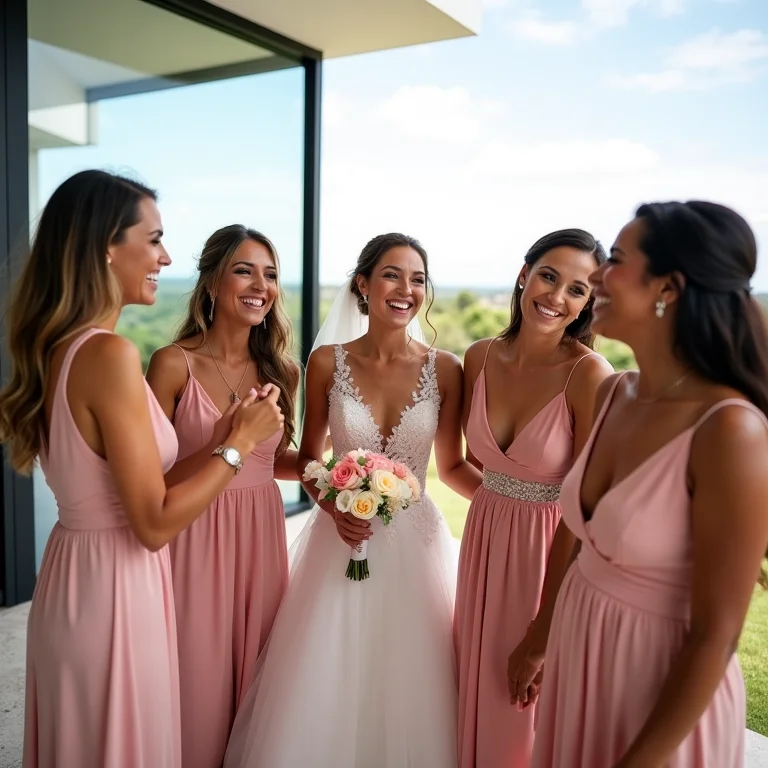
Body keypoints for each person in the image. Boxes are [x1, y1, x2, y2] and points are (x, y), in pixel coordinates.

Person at [0, 170, 282, 768]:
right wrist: (238, 444)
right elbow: (152, 522)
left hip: (76, 574)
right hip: (112, 587)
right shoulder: (108, 354)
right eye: (153, 239)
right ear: (107, 244)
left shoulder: (64, 347)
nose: (165, 256)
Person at [224, 233, 481, 768]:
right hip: (339, 537)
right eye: (392, 274)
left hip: (418, 541)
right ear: (363, 284)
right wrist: (333, 506)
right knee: (327, 670)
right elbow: (310, 461)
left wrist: (519, 504)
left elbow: (452, 465)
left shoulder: (447, 368)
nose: (406, 289)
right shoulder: (325, 362)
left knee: (414, 674)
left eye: (417, 279)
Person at [529, 202, 768, 768]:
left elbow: (716, 634)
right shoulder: (617, 393)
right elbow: (580, 540)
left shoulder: (730, 430)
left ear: (669, 287)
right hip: (580, 665)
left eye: (613, 260)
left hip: (658, 700)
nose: (595, 278)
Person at [455, 229, 613, 768]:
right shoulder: (477, 357)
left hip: (550, 557)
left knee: (521, 705)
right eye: (549, 276)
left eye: (578, 289)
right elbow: (468, 466)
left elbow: (586, 504)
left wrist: (543, 632)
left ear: (589, 302)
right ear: (524, 274)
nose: (556, 297)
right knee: (472, 689)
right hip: (482, 545)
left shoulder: (589, 374)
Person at [146, 225, 300, 768]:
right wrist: (223, 440)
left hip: (261, 538)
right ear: (212, 281)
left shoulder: (282, 370)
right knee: (197, 680)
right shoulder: (171, 364)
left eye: (271, 274)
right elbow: (152, 482)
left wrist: (342, 475)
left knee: (259, 676)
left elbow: (271, 460)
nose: (261, 285)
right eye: (244, 270)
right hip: (192, 537)